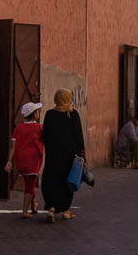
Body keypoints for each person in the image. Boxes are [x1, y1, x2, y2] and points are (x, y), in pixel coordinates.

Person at [41, 89, 85, 223]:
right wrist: (82, 154)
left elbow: (45, 136)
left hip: (53, 156)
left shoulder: (49, 114)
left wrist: (50, 150)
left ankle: (52, 209)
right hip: (69, 156)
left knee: (51, 181)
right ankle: (65, 211)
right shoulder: (72, 114)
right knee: (67, 182)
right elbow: (79, 136)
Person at [4, 102, 44, 219]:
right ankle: (25, 211)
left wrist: (9, 161)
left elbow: (13, 146)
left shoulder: (19, 128)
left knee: (29, 183)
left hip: (20, 160)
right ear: (35, 114)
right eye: (37, 111)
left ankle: (33, 204)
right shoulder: (39, 128)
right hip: (33, 160)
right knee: (30, 185)